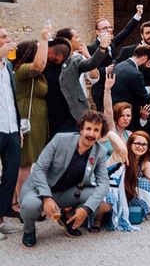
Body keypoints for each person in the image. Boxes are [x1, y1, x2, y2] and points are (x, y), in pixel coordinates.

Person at [19, 111, 110, 248]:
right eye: (88, 128)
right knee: (30, 205)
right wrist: (46, 196)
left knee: (95, 196)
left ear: (101, 134)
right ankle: (29, 230)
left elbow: (104, 183)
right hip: (39, 189)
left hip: (65, 192)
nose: (91, 134)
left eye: (96, 130)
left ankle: (67, 219)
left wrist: (86, 209)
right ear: (81, 129)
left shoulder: (100, 152)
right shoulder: (60, 139)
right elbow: (39, 169)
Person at [10, 26, 51, 218]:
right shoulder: (22, 70)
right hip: (28, 120)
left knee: (31, 162)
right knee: (25, 163)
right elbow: (39, 65)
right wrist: (44, 40)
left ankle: (14, 200)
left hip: (38, 121)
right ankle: (22, 204)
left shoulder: (34, 74)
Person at [96, 131, 150, 232]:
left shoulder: (144, 163)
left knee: (148, 183)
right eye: (137, 143)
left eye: (144, 144)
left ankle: (128, 210)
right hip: (107, 187)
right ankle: (97, 218)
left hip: (124, 195)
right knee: (109, 199)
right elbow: (111, 134)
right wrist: (121, 147)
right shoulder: (120, 154)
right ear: (130, 144)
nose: (141, 147)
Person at [44, 35, 109, 138]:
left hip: (73, 114)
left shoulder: (74, 62)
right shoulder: (45, 65)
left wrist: (102, 48)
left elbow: (91, 64)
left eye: (49, 53)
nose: (46, 55)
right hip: (52, 116)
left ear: (59, 56)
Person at [88, 5, 144, 111]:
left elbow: (126, 31)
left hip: (114, 88)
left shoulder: (112, 43)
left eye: (110, 27)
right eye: (105, 28)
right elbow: (89, 69)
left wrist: (138, 15)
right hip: (100, 89)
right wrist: (105, 70)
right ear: (97, 32)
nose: (109, 30)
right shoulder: (91, 48)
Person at [0, 26, 23, 240]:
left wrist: (18, 127)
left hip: (11, 128)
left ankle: (1, 218)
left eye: (7, 36)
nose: (8, 40)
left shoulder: (8, 65)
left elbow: (11, 98)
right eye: (3, 37)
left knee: (11, 173)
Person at [111, 45, 150, 113]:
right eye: (149, 62)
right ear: (145, 58)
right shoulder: (136, 74)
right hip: (121, 111)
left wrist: (148, 88)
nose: (147, 66)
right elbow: (144, 98)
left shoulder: (120, 65)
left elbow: (128, 88)